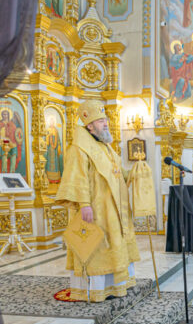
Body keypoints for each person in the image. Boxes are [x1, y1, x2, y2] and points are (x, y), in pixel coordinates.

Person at [56, 100, 141, 302]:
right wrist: (84, 204)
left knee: (114, 245)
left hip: (113, 209)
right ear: (89, 125)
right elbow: (77, 177)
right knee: (97, 247)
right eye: (101, 120)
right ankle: (95, 289)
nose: (106, 123)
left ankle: (115, 285)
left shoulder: (106, 147)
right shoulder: (80, 147)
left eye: (105, 120)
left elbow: (116, 174)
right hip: (96, 208)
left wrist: (134, 173)